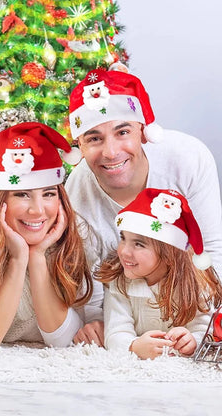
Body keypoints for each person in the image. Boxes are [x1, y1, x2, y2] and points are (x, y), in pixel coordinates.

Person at [0, 122, 103, 350]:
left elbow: (65, 340)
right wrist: (17, 259)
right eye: (22, 194)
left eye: (48, 194)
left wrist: (38, 258)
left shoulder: (78, 234)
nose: (38, 210)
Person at [65, 68, 222, 283]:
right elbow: (88, 280)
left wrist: (208, 313)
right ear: (79, 147)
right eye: (94, 139)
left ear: (143, 132)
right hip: (121, 308)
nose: (111, 153)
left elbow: (213, 250)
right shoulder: (76, 194)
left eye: (122, 132)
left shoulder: (188, 158)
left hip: (193, 298)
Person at [96, 188, 222, 360]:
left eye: (139, 244)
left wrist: (191, 340)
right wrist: (134, 347)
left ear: (169, 254)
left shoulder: (196, 284)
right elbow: (115, 332)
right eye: (123, 238)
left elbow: (206, 330)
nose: (124, 251)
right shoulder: (120, 282)